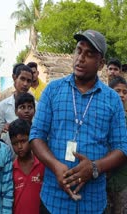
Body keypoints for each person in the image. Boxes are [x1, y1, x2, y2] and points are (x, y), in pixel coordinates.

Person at [29, 29, 127, 214]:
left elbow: (122, 148)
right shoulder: (53, 90)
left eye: (89, 54)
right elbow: (36, 136)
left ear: (101, 64)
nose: (80, 58)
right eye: (79, 50)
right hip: (53, 199)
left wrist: (95, 168)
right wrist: (56, 165)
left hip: (92, 202)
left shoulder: (112, 100)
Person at [9, 118, 44, 214]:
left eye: (23, 141)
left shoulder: (42, 165)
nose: (19, 146)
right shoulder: (11, 170)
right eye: (15, 143)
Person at [0, 64, 33, 138]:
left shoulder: (37, 106)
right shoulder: (3, 105)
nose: (25, 84)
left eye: (28, 81)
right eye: (22, 79)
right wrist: (3, 131)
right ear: (15, 78)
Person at [106, 76, 127, 214]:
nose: (121, 95)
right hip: (102, 181)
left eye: (125, 92)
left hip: (123, 182)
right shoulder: (101, 118)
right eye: (117, 91)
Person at [1, 92, 36, 159]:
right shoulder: (8, 132)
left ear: (34, 110)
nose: (26, 111)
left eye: (30, 107)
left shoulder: (39, 131)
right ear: (16, 111)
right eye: (22, 107)